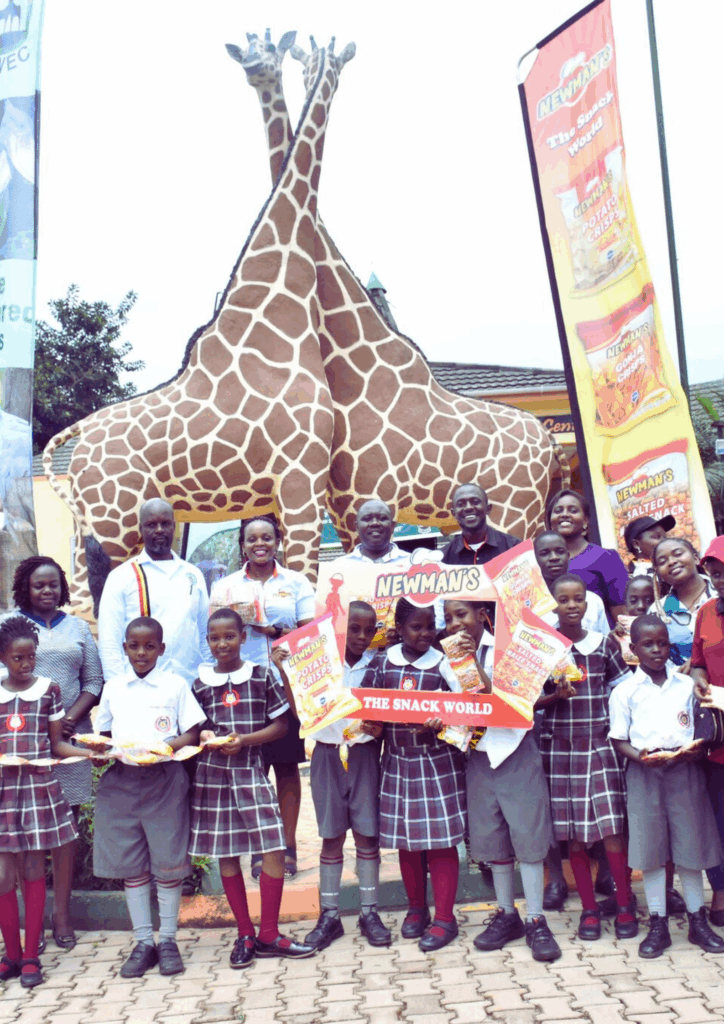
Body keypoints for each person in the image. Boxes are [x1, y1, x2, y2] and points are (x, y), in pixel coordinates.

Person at [189, 609, 314, 967]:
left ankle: (270, 933)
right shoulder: (199, 685)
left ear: (244, 637)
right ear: (208, 642)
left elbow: (281, 726)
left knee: (273, 845)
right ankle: (245, 933)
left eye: (230, 636)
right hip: (213, 777)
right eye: (215, 638)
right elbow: (196, 727)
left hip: (250, 772)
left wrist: (243, 741)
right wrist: (205, 734)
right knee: (227, 855)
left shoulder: (260, 677)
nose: (222, 644)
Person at [443, 599, 560, 963]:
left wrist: (474, 663)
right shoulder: (447, 659)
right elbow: (457, 707)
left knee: (527, 835)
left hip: (516, 749)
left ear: (482, 615)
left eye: (460, 614)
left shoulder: (508, 647)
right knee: (492, 839)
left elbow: (511, 704)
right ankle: (507, 913)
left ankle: (537, 919)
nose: (454, 624)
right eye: (447, 618)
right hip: (478, 754)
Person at [93, 617, 205, 979]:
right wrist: (101, 751)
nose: (141, 653)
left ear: (161, 648)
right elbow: (105, 733)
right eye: (134, 646)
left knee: (169, 862)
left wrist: (165, 746)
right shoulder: (114, 687)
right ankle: (144, 942)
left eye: (149, 646)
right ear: (124, 647)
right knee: (132, 865)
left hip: (164, 780)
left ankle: (168, 940)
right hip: (123, 782)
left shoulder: (174, 685)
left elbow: (191, 732)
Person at [609, 614, 724, 958]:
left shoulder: (685, 685)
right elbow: (618, 739)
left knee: (691, 849)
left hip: (685, 771)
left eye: (662, 643)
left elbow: (703, 727)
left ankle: (696, 920)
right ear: (633, 649)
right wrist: (639, 757)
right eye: (648, 644)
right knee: (653, 853)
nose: (657, 650)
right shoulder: (625, 692)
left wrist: (697, 749)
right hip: (645, 772)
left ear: (669, 646)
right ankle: (658, 923)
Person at [209, 515, 315, 879]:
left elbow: (310, 633)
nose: (260, 544)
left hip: (284, 684)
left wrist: (275, 631)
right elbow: (214, 635)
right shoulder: (224, 587)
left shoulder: (297, 583)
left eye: (267, 537)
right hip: (240, 688)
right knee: (251, 770)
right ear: (243, 544)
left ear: (277, 541)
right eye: (252, 538)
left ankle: (286, 846)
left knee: (286, 766)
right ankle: (259, 846)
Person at [11, 555, 104, 950]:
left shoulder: (79, 627)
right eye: (38, 585)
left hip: (69, 738)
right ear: (25, 588)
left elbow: (95, 680)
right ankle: (23, 923)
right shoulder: (9, 626)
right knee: (22, 835)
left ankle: (61, 917)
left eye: (53, 584)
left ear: (62, 587)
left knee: (66, 832)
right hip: (23, 746)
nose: (47, 591)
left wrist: (68, 718)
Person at [365, 597, 466, 952]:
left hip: (436, 762)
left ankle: (445, 917)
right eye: (416, 627)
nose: (425, 633)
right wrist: (370, 724)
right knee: (407, 841)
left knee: (440, 840)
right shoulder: (382, 663)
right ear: (400, 628)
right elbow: (369, 707)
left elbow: (467, 708)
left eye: (429, 626)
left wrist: (445, 724)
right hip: (397, 759)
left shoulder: (446, 663)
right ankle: (416, 908)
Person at [537, 574, 634, 941]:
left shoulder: (603, 644)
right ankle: (589, 909)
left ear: (588, 604)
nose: (573, 605)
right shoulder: (546, 648)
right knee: (574, 835)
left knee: (611, 830)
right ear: (554, 605)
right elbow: (528, 701)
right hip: (560, 748)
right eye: (564, 600)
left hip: (599, 745)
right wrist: (553, 696)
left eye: (579, 599)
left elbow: (623, 691)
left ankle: (624, 904)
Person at [0, 616, 96, 989]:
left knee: (34, 869)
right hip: (4, 792)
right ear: (3, 657)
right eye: (17, 658)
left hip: (38, 789)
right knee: (4, 875)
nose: (25, 665)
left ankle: (30, 956)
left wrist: (90, 754)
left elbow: (57, 744)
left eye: (30, 657)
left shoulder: (49, 690)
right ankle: (9, 954)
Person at [303, 601, 391, 951]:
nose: (360, 636)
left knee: (368, 836)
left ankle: (370, 912)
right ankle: (329, 916)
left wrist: (380, 727)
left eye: (368, 630)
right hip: (327, 754)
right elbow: (302, 709)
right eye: (353, 628)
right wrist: (284, 671)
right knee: (331, 836)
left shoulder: (380, 665)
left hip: (365, 754)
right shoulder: (320, 664)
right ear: (339, 628)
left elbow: (389, 712)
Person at [97, 499, 211, 685]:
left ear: (174, 527)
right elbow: (110, 642)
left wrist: (208, 679)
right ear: (141, 530)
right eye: (151, 524)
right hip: (140, 687)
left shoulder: (193, 574)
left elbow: (204, 633)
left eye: (165, 523)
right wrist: (119, 690)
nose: (159, 529)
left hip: (191, 685)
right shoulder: (121, 577)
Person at [691, 537, 724, 924]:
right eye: (714, 574)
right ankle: (720, 891)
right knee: (718, 820)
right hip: (719, 739)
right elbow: (699, 661)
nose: (718, 580)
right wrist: (699, 680)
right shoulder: (707, 612)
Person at [546, 489, 628, 623]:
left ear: (585, 521)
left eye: (573, 510)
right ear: (550, 522)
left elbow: (621, 614)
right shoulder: (538, 563)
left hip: (597, 640)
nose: (564, 514)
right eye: (558, 510)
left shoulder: (606, 558)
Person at [651, 537, 712, 670]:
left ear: (696, 558)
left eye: (678, 554)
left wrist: (699, 660)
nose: (672, 562)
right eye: (662, 561)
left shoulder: (719, 593)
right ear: (659, 574)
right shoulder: (656, 612)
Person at [534, 531, 608, 633]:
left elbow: (603, 642)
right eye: (544, 553)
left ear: (568, 556)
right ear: (534, 559)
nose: (554, 557)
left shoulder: (593, 601)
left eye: (560, 551)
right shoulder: (528, 607)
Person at [441, 484, 519, 566]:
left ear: (488, 509)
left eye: (475, 502)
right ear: (454, 513)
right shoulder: (443, 558)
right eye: (460, 504)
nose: (468, 508)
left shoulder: (514, 547)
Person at [332, 499, 412, 566]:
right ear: (356, 526)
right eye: (367, 519)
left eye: (382, 518)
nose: (375, 523)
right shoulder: (339, 566)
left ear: (392, 525)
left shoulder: (412, 563)